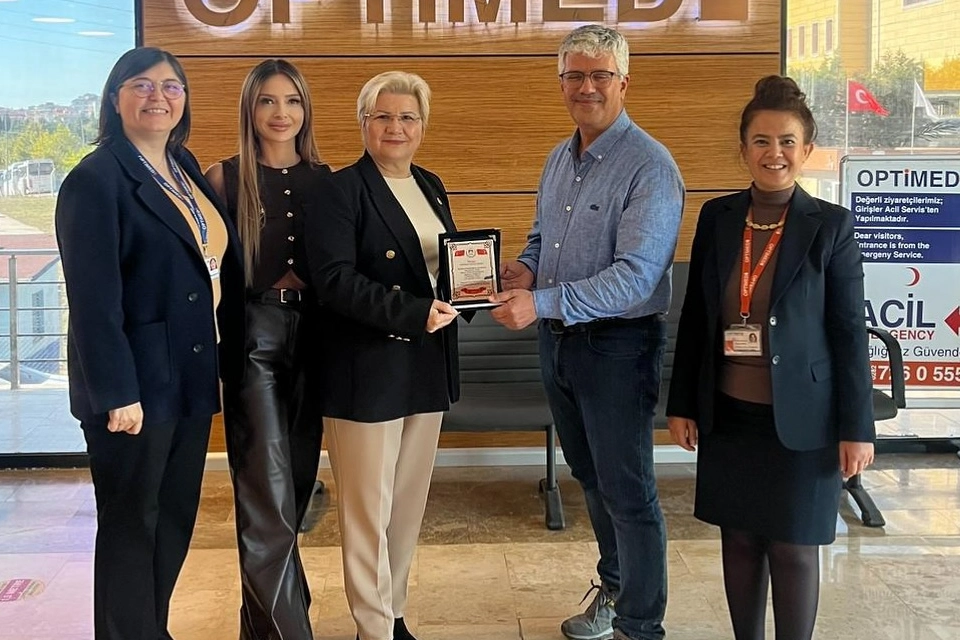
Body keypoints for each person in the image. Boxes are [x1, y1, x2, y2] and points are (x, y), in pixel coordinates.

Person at [490, 24, 684, 640]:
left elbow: (635, 277)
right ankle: (617, 586)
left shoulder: (650, 167)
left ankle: (640, 625)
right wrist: (526, 267)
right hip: (560, 343)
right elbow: (542, 236)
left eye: (600, 75)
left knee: (628, 490)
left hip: (618, 348)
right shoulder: (559, 157)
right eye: (575, 75)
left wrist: (541, 301)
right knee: (591, 478)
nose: (587, 87)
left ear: (624, 82)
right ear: (561, 83)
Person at [666, 75, 875, 640]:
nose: (773, 153)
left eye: (787, 141)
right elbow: (696, 316)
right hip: (730, 415)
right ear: (743, 149)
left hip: (806, 420)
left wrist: (857, 428)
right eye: (761, 141)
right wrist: (682, 403)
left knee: (793, 547)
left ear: (806, 150)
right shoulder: (717, 218)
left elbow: (849, 334)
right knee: (738, 539)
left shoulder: (831, 226)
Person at [54, 47, 243, 640]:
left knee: (174, 517)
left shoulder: (181, 165)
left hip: (188, 375)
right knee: (131, 524)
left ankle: (151, 629)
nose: (157, 96)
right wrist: (117, 393)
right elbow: (93, 302)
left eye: (171, 86)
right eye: (141, 84)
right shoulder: (95, 180)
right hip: (134, 388)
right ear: (115, 98)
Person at [303, 71, 463, 640]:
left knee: (407, 505)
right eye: (384, 116)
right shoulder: (339, 191)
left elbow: (444, 265)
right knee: (368, 512)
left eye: (408, 117)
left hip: (425, 363)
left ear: (423, 125)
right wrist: (412, 312)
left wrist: (475, 290)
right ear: (363, 123)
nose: (396, 127)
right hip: (365, 371)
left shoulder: (430, 184)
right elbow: (333, 281)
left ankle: (393, 615)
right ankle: (373, 629)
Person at [204, 59, 330, 640]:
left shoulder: (328, 181)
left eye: (293, 101)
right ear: (250, 109)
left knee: (294, 490)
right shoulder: (223, 178)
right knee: (264, 490)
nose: (282, 113)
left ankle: (261, 625)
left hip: (315, 339)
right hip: (251, 335)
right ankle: (287, 630)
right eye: (268, 101)